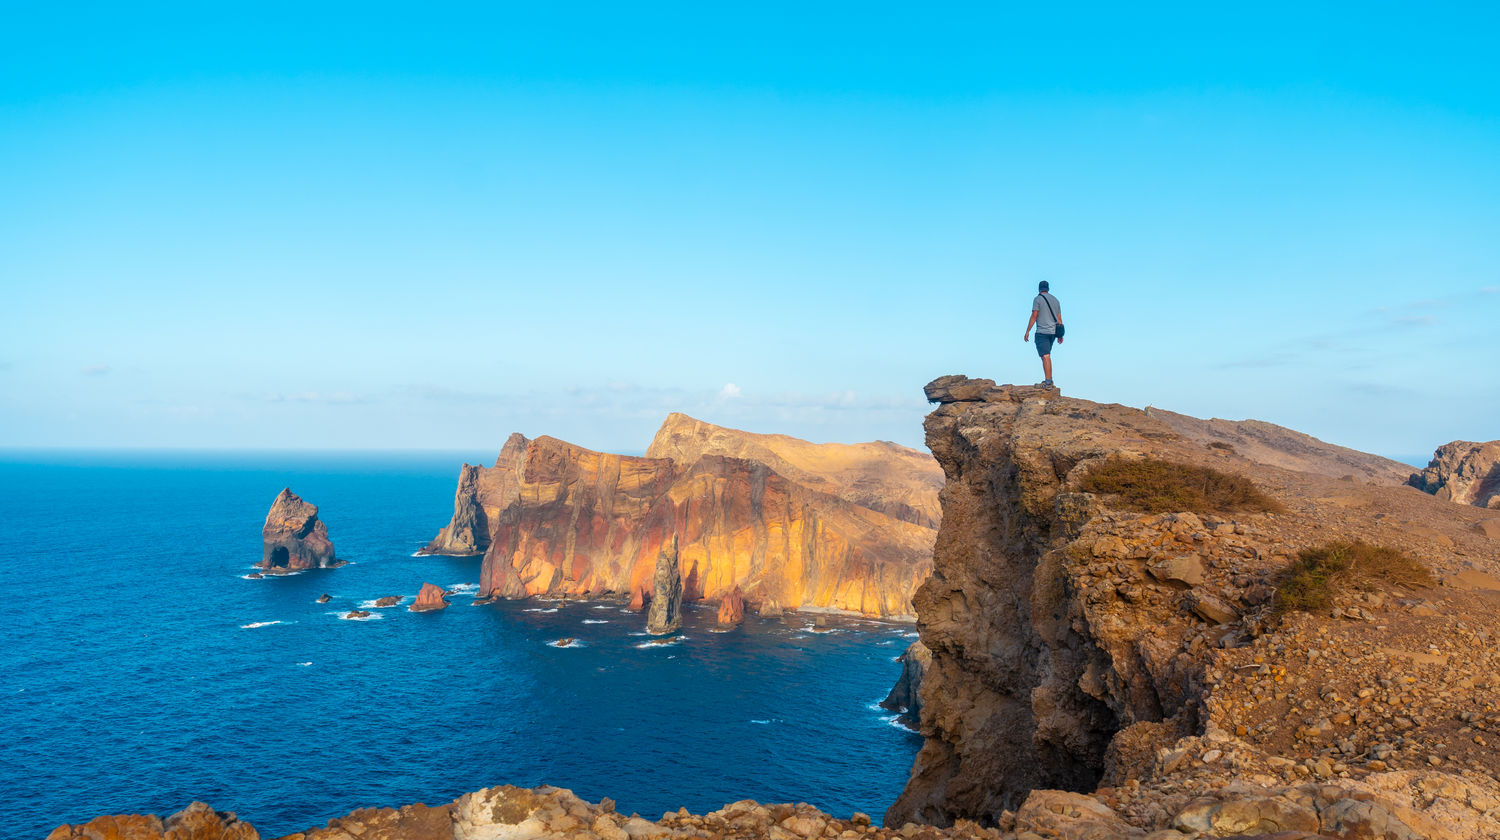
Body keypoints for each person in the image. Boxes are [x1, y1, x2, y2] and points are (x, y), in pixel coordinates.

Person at [1022, 281, 1062, 387]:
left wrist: (1027, 331)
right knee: (1047, 355)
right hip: (1053, 333)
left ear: (1039, 289)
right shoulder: (1055, 300)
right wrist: (1060, 335)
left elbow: (1034, 315)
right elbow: (1059, 318)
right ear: (1048, 288)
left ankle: (1048, 381)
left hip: (1042, 332)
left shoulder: (1038, 299)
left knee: (1045, 356)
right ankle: (1049, 379)